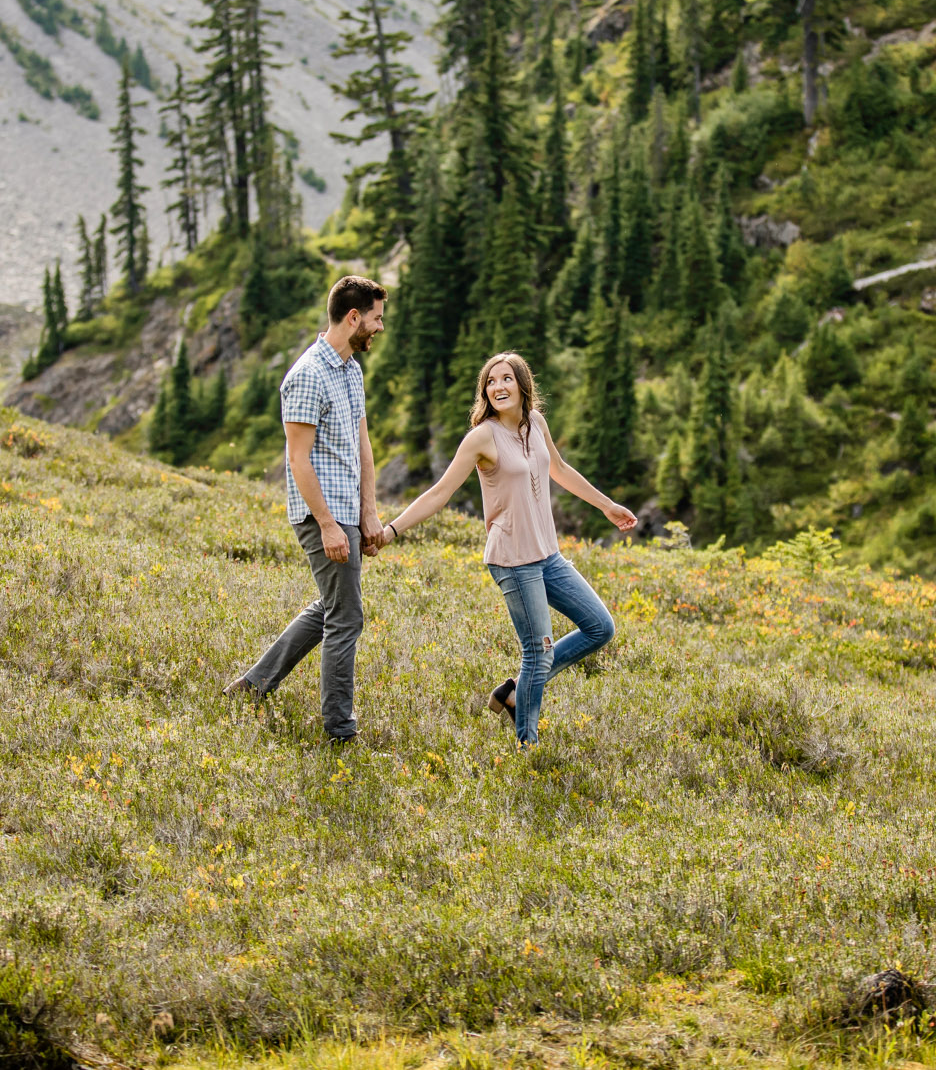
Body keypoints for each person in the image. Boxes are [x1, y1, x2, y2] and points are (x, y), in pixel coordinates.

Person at [385, 352, 635, 745]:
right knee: (538, 652)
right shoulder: (482, 437)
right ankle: (527, 746)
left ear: (522, 385)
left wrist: (607, 505)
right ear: (485, 391)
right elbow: (441, 492)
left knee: (600, 627)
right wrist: (391, 531)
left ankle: (514, 691)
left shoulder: (536, 423)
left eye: (506, 379)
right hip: (512, 560)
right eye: (490, 381)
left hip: (547, 555)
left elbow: (561, 469)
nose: (498, 386)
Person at [222, 275, 393, 742]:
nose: (380, 328)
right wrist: (328, 526)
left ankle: (254, 685)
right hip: (321, 516)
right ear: (353, 317)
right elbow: (297, 460)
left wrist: (369, 511)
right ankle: (340, 730)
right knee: (347, 618)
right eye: (376, 319)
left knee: (331, 609)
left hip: (348, 513)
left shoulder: (351, 370)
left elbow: (362, 445)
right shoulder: (306, 375)